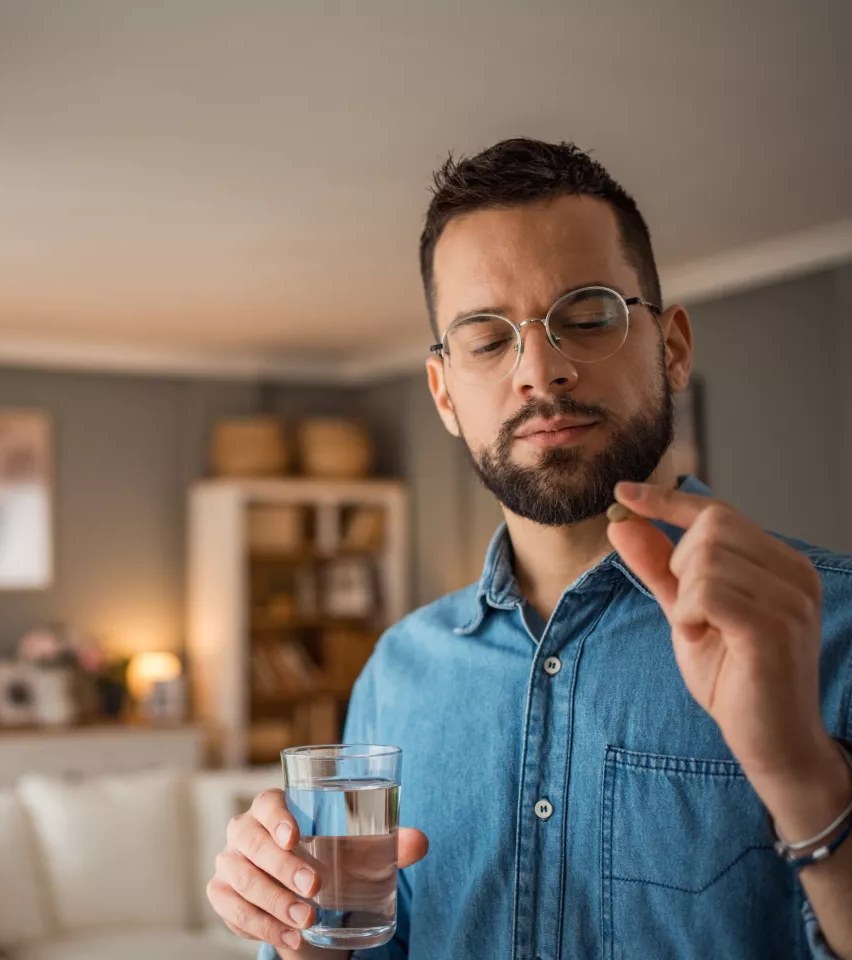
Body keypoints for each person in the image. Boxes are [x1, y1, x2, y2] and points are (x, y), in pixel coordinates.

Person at [205, 138, 852, 959]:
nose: (540, 371)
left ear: (673, 347)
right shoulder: (395, 676)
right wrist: (296, 929)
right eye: (485, 339)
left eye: (586, 319)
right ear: (444, 393)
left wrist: (804, 776)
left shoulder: (836, 631)